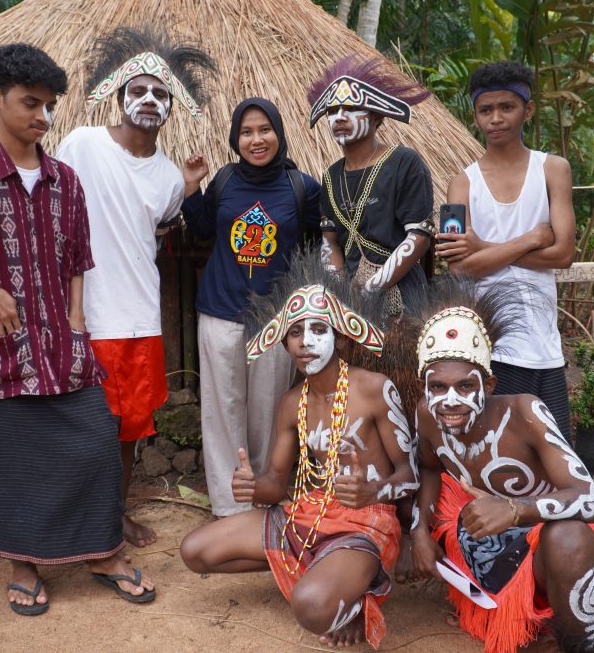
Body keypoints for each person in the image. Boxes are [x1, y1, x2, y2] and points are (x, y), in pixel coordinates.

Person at [0, 43, 154, 615]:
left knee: (93, 447)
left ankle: (104, 554)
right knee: (10, 462)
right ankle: (23, 563)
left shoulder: (66, 180)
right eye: (29, 103)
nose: (41, 116)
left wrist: (76, 323)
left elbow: (77, 262)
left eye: (48, 106)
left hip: (63, 347)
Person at [179, 253, 419, 649]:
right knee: (195, 552)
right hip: (308, 511)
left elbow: (409, 476)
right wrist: (254, 487)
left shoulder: (376, 388)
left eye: (318, 329)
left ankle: (353, 595)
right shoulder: (293, 402)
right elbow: (276, 483)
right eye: (295, 332)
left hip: (366, 521)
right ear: (284, 342)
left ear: (340, 337)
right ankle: (327, 575)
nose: (306, 341)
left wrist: (372, 493)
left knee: (310, 609)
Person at [55, 27, 217, 547]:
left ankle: (112, 516)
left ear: (172, 106)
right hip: (85, 316)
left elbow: (157, 226)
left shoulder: (169, 176)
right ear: (119, 96)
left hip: (139, 319)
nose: (149, 100)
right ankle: (72, 522)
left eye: (160, 93)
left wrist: (190, 187)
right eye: (139, 90)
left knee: (128, 431)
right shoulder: (81, 143)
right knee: (84, 431)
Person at [408, 274, 594, 652]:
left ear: (488, 386)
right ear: (425, 386)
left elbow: (591, 500)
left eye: (465, 386)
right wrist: (420, 532)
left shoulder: (526, 412)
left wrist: (513, 510)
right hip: (480, 541)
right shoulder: (427, 415)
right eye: (438, 387)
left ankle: (573, 642)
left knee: (569, 538)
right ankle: (517, 620)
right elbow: (428, 468)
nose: (451, 400)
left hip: (541, 539)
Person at [179, 97, 322, 517]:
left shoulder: (303, 189)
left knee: (267, 410)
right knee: (222, 409)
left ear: (279, 133)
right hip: (220, 311)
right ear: (235, 139)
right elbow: (203, 230)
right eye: (246, 132)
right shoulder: (224, 180)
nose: (256, 140)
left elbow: (317, 249)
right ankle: (227, 505)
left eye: (264, 130)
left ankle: (261, 493)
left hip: (275, 318)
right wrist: (192, 186)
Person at [435, 60, 576, 444]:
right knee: (499, 450)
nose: (496, 119)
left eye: (507, 107)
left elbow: (564, 254)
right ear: (476, 115)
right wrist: (530, 238)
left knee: (557, 451)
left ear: (527, 110)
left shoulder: (553, 170)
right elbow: (460, 270)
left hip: (545, 344)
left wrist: (485, 250)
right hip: (492, 345)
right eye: (486, 110)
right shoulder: (462, 183)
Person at [307, 54, 436, 317]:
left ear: (377, 117)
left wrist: (370, 289)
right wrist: (341, 292)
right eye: (332, 111)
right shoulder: (331, 176)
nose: (340, 117)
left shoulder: (404, 162)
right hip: (351, 305)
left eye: (352, 108)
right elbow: (329, 242)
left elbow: (419, 238)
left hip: (404, 302)